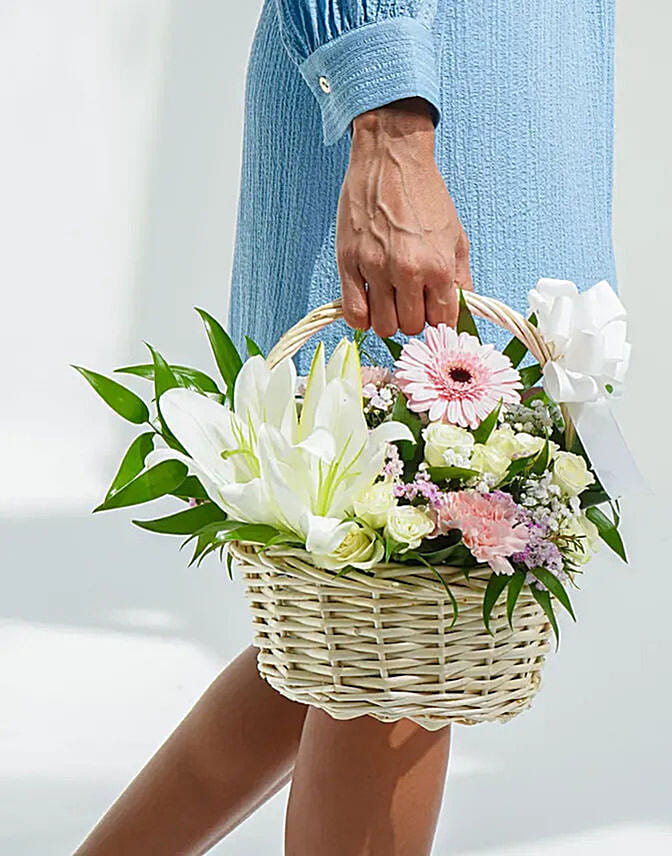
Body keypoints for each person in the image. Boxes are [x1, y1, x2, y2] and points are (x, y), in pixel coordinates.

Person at [76, 0, 617, 852]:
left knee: (356, 639)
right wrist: (389, 119)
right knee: (406, 606)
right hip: (432, 113)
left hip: (509, 112)